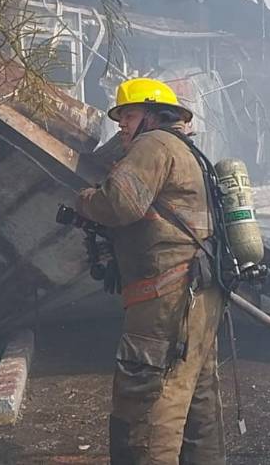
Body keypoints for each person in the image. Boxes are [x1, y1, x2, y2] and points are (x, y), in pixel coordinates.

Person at [75, 78, 226, 465]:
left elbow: (119, 204)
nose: (121, 124)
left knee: (149, 401)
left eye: (127, 114)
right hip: (201, 294)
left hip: (168, 296)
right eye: (120, 116)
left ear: (153, 114)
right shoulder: (188, 152)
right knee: (195, 398)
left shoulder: (153, 145)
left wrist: (87, 200)